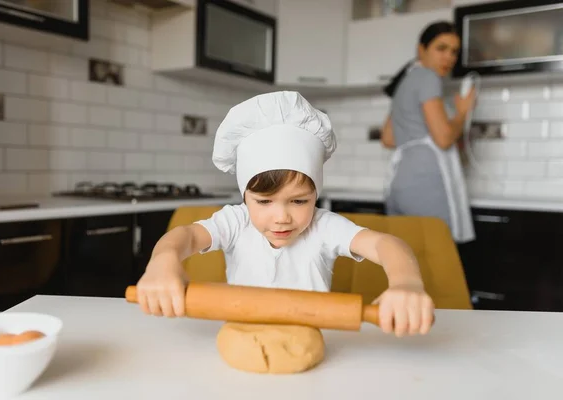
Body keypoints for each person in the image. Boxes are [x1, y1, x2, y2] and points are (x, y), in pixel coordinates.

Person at [136, 91, 435, 337]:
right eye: (264, 202)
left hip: (310, 340)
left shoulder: (324, 227)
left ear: (317, 194)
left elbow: (386, 245)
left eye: (299, 201)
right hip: (243, 337)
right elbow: (186, 236)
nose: (281, 217)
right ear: (245, 196)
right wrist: (163, 262)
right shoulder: (236, 222)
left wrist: (406, 283)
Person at [381, 21, 477, 244]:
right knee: (436, 257)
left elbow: (388, 138)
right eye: (441, 48)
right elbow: (443, 138)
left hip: (399, 185)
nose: (449, 58)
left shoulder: (405, 81)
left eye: (454, 51)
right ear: (421, 49)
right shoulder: (428, 77)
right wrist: (462, 112)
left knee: (407, 259)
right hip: (425, 185)